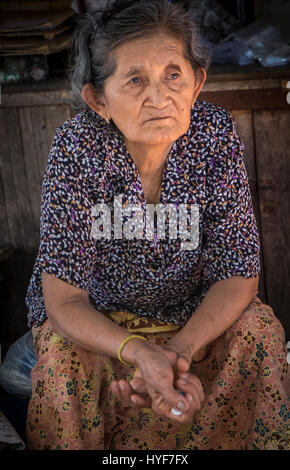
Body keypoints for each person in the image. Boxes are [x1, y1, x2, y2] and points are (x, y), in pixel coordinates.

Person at [25, 0, 289, 450]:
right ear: (98, 99)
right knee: (61, 358)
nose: (159, 96)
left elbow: (237, 273)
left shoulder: (213, 135)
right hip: (102, 326)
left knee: (260, 333)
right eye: (135, 80)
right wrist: (139, 352)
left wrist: (180, 352)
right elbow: (64, 299)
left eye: (173, 74)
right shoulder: (78, 147)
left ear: (196, 83)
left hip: (193, 322)